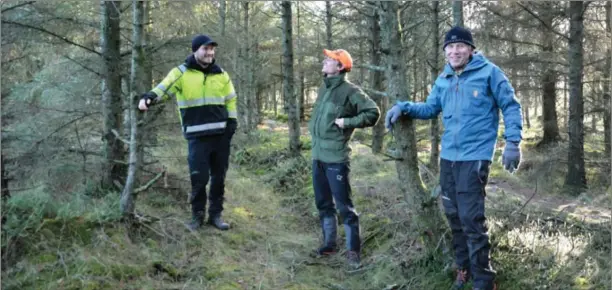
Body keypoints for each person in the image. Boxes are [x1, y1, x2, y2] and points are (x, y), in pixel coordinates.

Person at [385, 26, 522, 290]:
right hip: (449, 159)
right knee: (454, 217)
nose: (455, 51)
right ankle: (464, 269)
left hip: (475, 158)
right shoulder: (444, 78)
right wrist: (403, 107)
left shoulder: (489, 73)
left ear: (471, 49)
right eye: (450, 47)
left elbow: (511, 105)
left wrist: (513, 142)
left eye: (460, 46)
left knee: (471, 219)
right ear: (445, 51)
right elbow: (430, 108)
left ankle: (484, 280)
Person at [138, 34, 238, 231]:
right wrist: (149, 97)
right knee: (198, 178)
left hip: (221, 136)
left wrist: (232, 121)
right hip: (196, 137)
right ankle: (197, 216)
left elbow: (231, 99)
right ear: (195, 50)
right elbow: (164, 88)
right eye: (205, 49)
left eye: (212, 49)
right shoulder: (181, 73)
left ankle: (216, 215)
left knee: (219, 178)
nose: (210, 53)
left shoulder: (221, 74)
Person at [309, 48, 380, 269]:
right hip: (318, 157)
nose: (324, 61)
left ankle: (353, 251)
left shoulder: (350, 91)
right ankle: (329, 244)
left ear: (340, 67)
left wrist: (347, 123)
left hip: (336, 159)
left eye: (329, 60)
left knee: (345, 207)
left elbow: (373, 113)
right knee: (323, 203)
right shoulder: (324, 87)